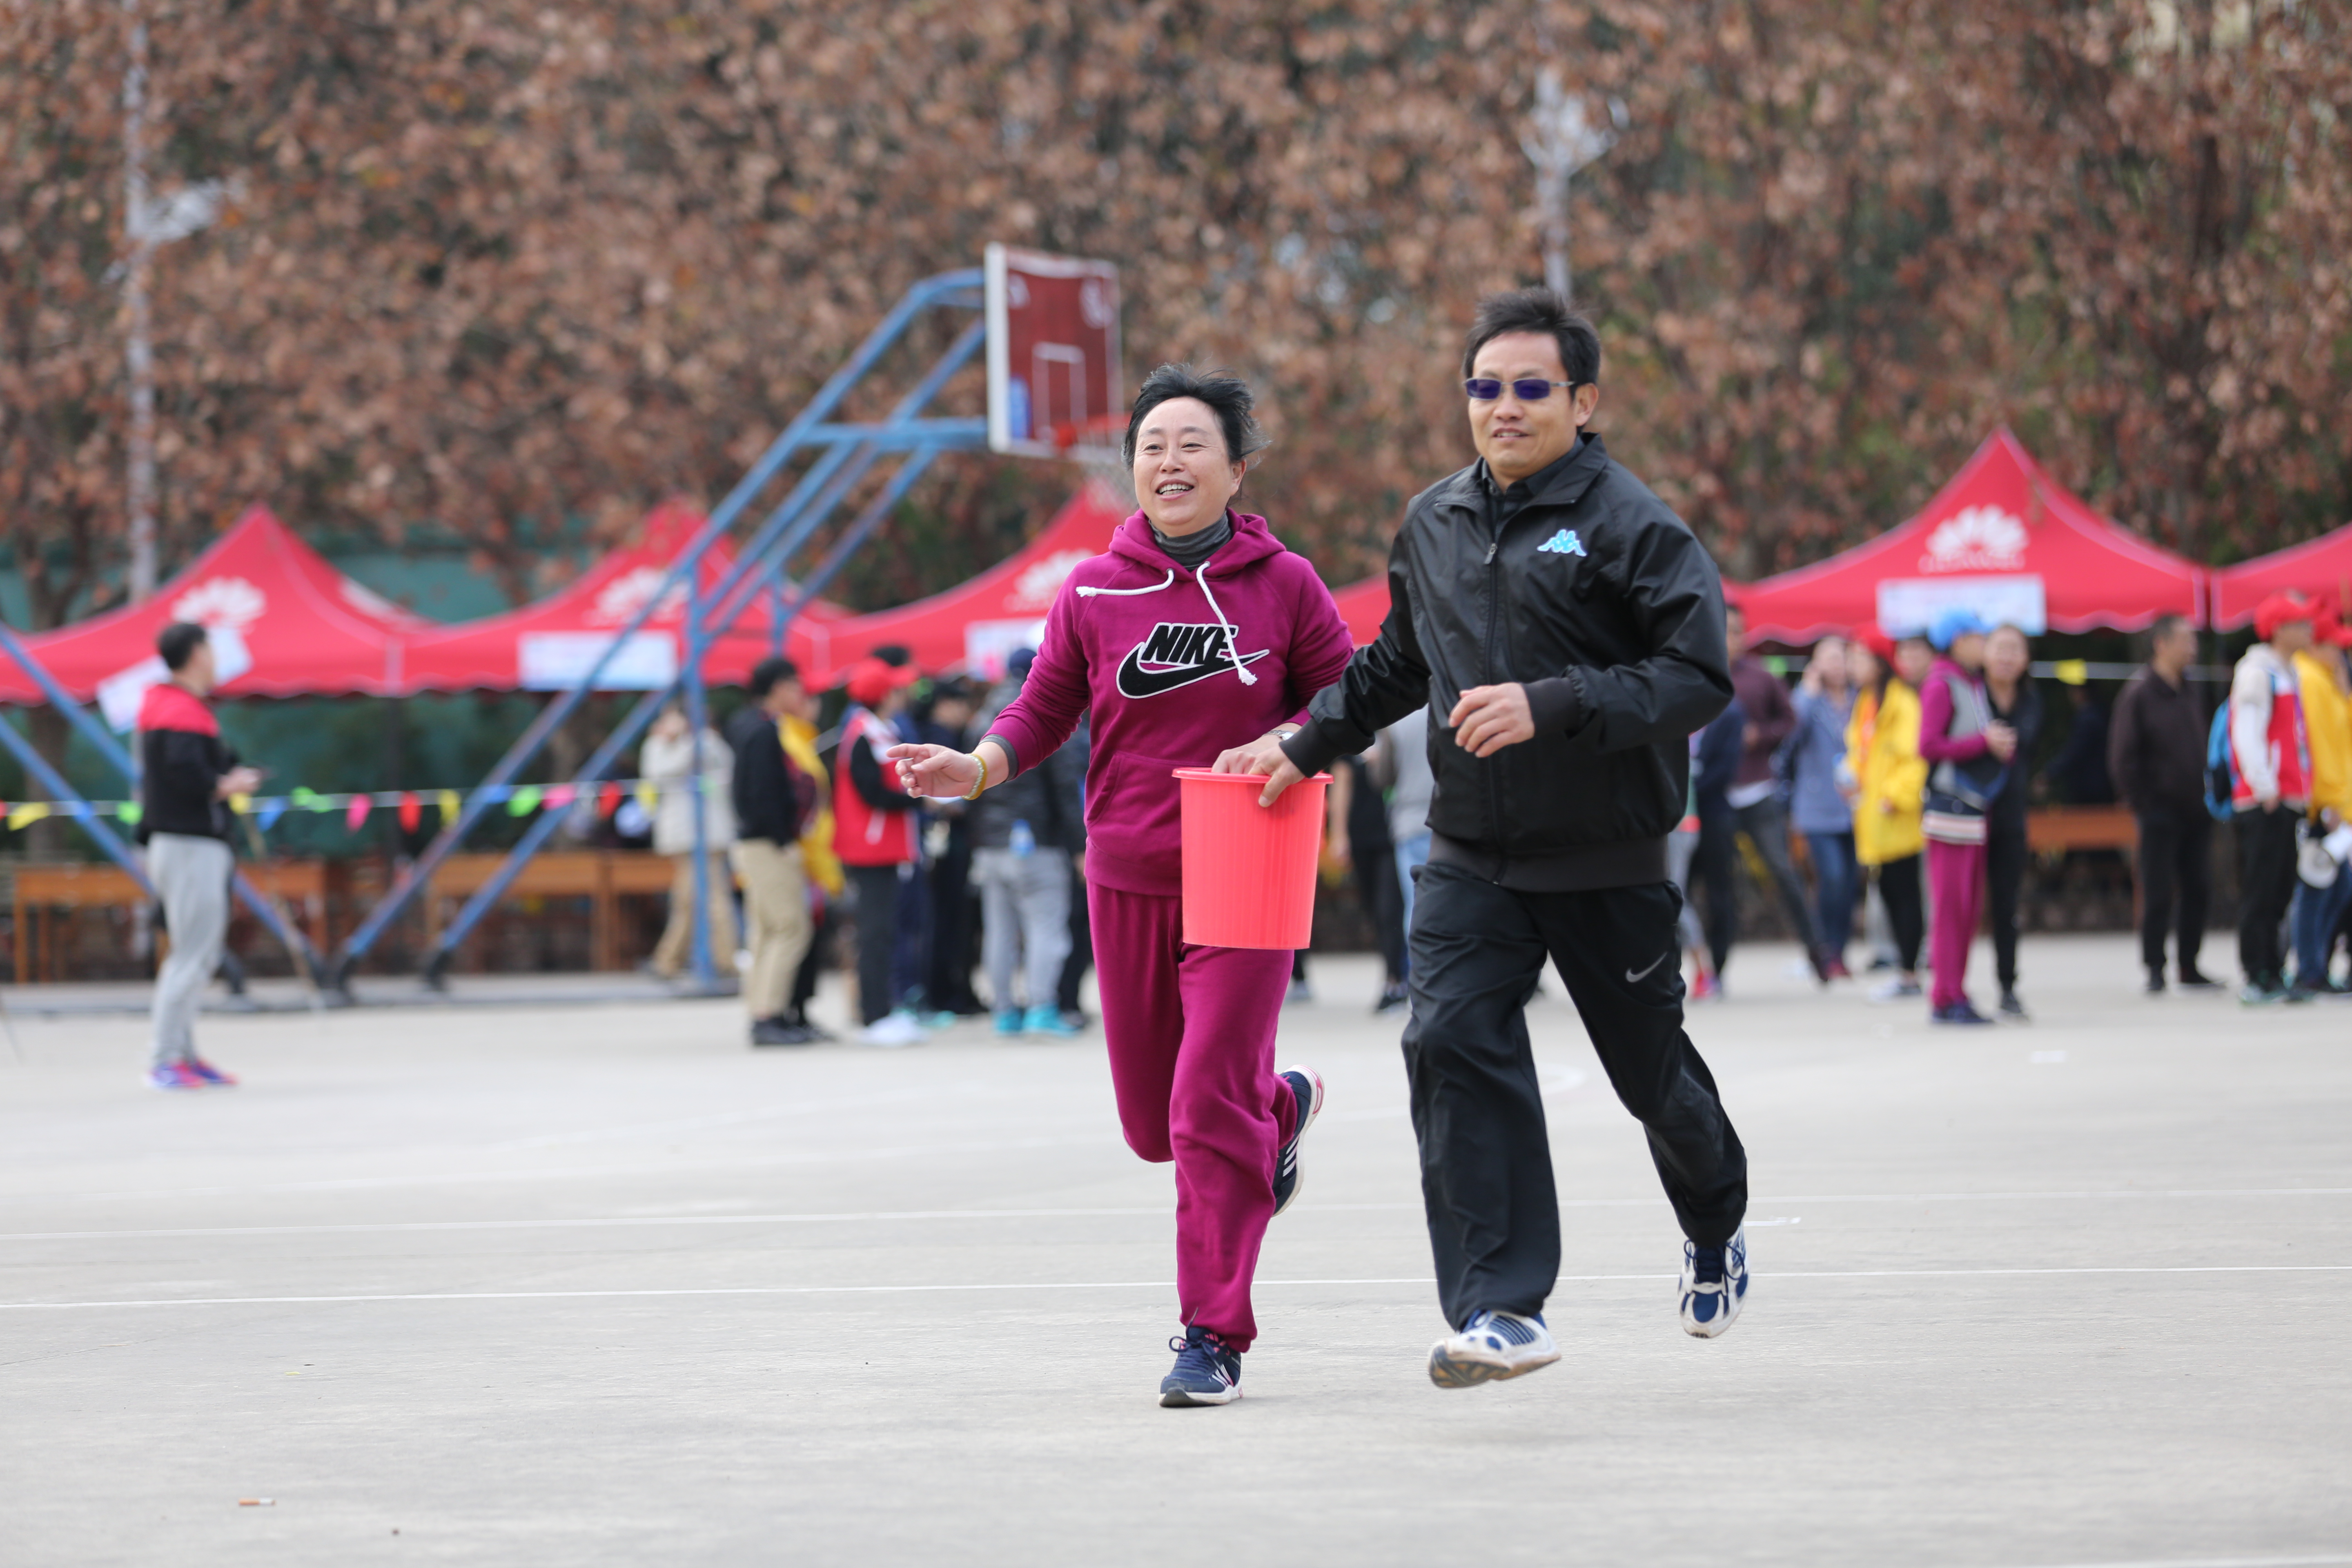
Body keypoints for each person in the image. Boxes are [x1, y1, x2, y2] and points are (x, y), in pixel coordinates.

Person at [1231, 287, 1749, 1384]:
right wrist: (1300, 746)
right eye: (1485, 387)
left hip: (1608, 860)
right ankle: (1503, 1310)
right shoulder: (1434, 521)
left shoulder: (1632, 525)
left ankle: (1713, 1225)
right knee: (1448, 1041)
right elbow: (1396, 664)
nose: (1503, 407)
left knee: (1653, 1081)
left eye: (1530, 388)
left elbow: (1697, 676)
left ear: (1582, 399)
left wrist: (1553, 702)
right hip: (1469, 855)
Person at [889, 365, 1354, 1407]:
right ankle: (1273, 1112)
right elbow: (1039, 710)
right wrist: (974, 768)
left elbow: (1344, 692)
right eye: (1150, 445)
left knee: (1199, 1109)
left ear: (1236, 468)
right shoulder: (1092, 591)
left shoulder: (1285, 583)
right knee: (1157, 1126)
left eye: (1192, 443)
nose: (1168, 461)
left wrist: (1297, 738)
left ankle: (1210, 1335)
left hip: (1248, 853)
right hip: (1127, 866)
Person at [136, 622, 262, 1090]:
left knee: (200, 953)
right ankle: (165, 1058)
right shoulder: (177, 709)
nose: (215, 656)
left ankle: (185, 1055)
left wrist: (227, 773)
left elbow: (202, 763)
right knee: (190, 955)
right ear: (195, 654)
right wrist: (224, 785)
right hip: (188, 843)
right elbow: (186, 771)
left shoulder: (180, 708)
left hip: (193, 843)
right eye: (210, 647)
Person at [969, 648, 1087, 1036]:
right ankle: (1041, 1008)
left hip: (990, 845)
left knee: (999, 931)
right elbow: (1065, 791)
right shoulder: (1043, 715)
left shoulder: (981, 718)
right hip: (1037, 841)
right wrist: (1078, 846)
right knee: (1045, 928)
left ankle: (1004, 1012)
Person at [2108, 613, 2221, 994]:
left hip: (2196, 807)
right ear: (2161, 643)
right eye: (2184, 640)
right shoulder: (2139, 693)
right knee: (2157, 889)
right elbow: (2123, 757)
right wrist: (2144, 803)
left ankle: (2189, 964)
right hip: (2159, 810)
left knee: (2198, 887)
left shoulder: (2190, 688)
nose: (2192, 648)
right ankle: (2155, 965)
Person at [1917, 609, 2018, 1025]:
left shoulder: (1968, 682)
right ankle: (1945, 996)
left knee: (1968, 907)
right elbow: (1928, 746)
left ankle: (1957, 991)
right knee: (1950, 908)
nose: (1985, 644)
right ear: (1958, 639)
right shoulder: (1941, 683)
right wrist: (1983, 742)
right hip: (1949, 809)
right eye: (1979, 636)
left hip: (1971, 810)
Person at [1724, 600, 1829, 978]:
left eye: (1737, 630)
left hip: (1757, 789)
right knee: (1716, 881)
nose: (1732, 638)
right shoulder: (1695, 674)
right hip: (1713, 793)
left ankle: (1817, 951)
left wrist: (1761, 736)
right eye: (1725, 629)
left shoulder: (1761, 675)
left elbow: (1790, 720)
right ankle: (1713, 968)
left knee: (1783, 871)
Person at [2229, 593, 2316, 1004]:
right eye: (2300, 623)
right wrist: (2264, 786)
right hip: (2266, 798)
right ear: (2279, 629)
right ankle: (2256, 972)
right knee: (2260, 890)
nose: (2308, 631)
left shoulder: (2290, 672)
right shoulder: (2257, 672)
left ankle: (2274, 968)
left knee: (2281, 889)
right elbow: (2248, 732)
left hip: (2289, 797)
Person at [726, 658, 817, 1046]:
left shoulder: (746, 725)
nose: (799, 693)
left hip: (751, 842)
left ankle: (761, 1011)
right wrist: (783, 841)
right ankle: (769, 1015)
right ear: (778, 688)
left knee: (766, 930)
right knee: (790, 928)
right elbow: (762, 795)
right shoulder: (764, 732)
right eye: (795, 685)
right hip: (767, 844)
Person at [837, 656, 926, 1044]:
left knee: (884, 931)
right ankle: (875, 1016)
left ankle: (884, 1011)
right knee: (875, 933)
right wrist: (922, 801)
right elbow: (871, 791)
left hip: (883, 846)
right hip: (870, 847)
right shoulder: (863, 733)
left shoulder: (877, 730)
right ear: (883, 694)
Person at [1845, 626, 1927, 1002]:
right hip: (1874, 814)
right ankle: (1904, 969)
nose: (1853, 665)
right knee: (1893, 894)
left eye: (1860, 657)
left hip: (1895, 814)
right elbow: (1859, 752)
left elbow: (1914, 758)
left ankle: (1910, 973)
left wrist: (1895, 797)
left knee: (1904, 893)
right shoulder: (1868, 702)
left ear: (1879, 663)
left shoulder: (1902, 703)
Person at [641, 702, 739, 982]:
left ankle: (717, 959)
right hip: (683, 834)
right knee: (688, 899)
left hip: (707, 834)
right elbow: (656, 774)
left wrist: (685, 738)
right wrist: (668, 741)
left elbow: (701, 761)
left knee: (711, 899)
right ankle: (673, 959)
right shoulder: (662, 746)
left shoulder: (708, 742)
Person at [1981, 624, 2043, 1018]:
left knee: (2006, 903)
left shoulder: (2032, 700)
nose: (2006, 657)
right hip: (1969, 810)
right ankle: (1947, 984)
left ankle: (2007, 985)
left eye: (2015, 650)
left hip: (2010, 813)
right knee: (1961, 903)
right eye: (2000, 648)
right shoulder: (1969, 694)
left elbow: (2021, 745)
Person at [2290, 609, 2352, 997]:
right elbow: (2312, 746)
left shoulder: (2326, 680)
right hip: (2323, 806)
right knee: (2315, 891)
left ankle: (2316, 967)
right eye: (2336, 648)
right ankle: (2308, 969)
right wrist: (2324, 801)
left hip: (2337, 803)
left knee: (2336, 889)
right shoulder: (2308, 679)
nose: (2341, 654)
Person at [777, 680, 844, 1039]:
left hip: (813, 857)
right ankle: (791, 1012)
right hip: (804, 859)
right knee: (797, 937)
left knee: (808, 938)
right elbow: (803, 808)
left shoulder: (802, 739)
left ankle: (800, 1012)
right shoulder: (790, 741)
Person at [1788, 633, 1857, 976]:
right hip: (1817, 805)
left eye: (1842, 656)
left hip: (1856, 805)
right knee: (1831, 877)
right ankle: (1824, 948)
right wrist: (1806, 694)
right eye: (1829, 657)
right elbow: (1789, 736)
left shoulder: (1863, 698)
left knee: (1850, 883)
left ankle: (1839, 951)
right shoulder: (1808, 701)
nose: (1838, 664)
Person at [918, 677, 985, 1017]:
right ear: (944, 704)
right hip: (948, 842)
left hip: (948, 842)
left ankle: (951, 991)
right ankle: (946, 993)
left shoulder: (945, 736)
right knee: (948, 920)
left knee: (951, 920)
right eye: (961, 705)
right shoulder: (940, 740)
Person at [1326, 753, 1409, 1012]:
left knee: (1391, 910)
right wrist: (1339, 834)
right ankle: (1394, 974)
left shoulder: (1397, 730)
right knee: (1375, 910)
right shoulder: (1355, 726)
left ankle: (1395, 980)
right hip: (1361, 834)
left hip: (1396, 833)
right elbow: (1342, 781)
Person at [1688, 697, 1745, 996]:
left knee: (1719, 894)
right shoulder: (1675, 706)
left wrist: (1686, 790)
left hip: (1713, 814)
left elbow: (1725, 768)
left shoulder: (1730, 713)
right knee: (1675, 893)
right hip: (1679, 818)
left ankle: (1718, 969)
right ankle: (1676, 968)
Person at [1383, 706, 1435, 938]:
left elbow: (1383, 777)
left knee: (1417, 904)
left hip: (1412, 820)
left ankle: (1421, 970)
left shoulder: (1397, 720)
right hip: (1455, 819)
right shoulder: (1459, 707)